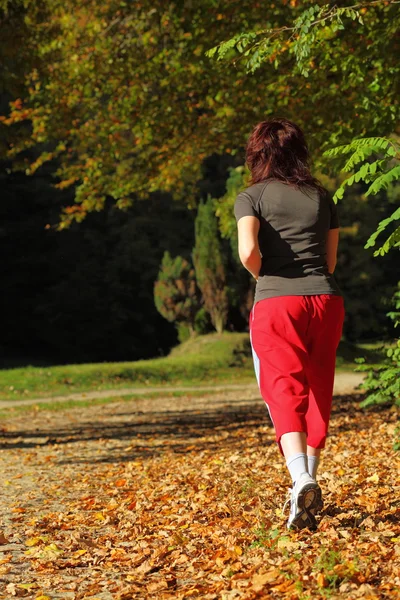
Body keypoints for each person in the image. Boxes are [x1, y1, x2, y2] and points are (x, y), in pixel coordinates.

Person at [234, 118, 345, 531]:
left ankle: (300, 478)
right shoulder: (321, 195)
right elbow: (332, 261)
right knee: (319, 384)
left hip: (278, 302)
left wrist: (266, 274)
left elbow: (248, 252)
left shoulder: (252, 197)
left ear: (258, 152)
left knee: (283, 386)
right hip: (327, 299)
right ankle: (310, 482)